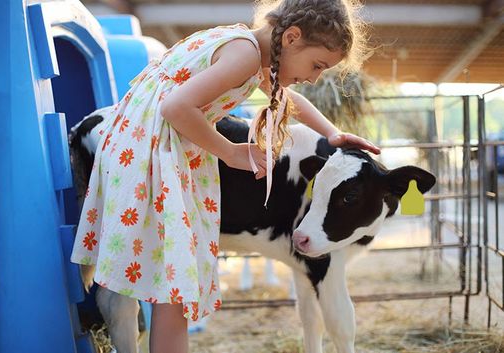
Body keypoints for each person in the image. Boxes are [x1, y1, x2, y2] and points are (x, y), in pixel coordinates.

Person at [70, 0, 380, 352]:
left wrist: (332, 133)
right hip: (156, 156)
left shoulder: (249, 48)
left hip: (145, 151)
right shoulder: (245, 55)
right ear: (292, 37)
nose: (314, 78)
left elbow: (288, 100)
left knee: (171, 284)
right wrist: (231, 152)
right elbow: (176, 107)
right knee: (175, 284)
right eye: (317, 65)